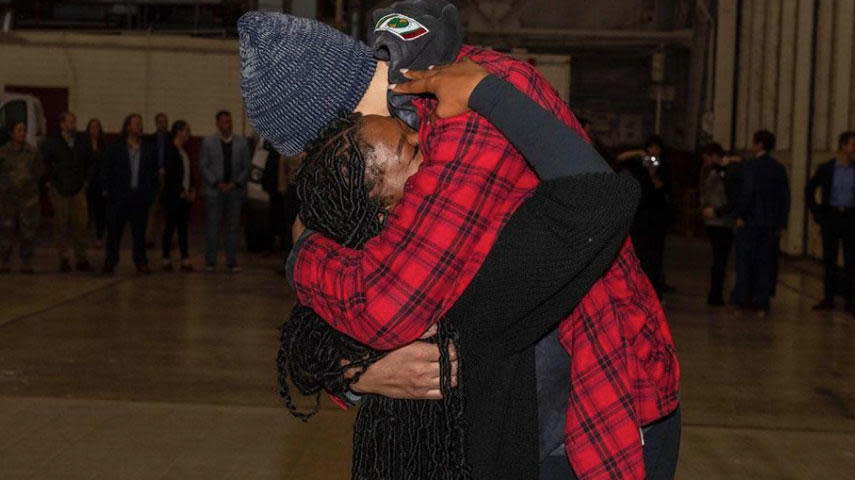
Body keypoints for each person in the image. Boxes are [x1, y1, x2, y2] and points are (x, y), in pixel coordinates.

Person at [239, 8, 678, 480]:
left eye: (323, 153)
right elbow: (320, 323)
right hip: (502, 427)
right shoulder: (381, 163)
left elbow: (385, 305)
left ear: (339, 128)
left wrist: (301, 254)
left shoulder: (462, 117)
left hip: (596, 409)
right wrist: (355, 375)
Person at [730, 130, 790, 314]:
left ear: (759, 144)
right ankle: (762, 299)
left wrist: (740, 214)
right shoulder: (779, 168)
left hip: (751, 221)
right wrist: (781, 223)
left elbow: (747, 193)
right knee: (766, 263)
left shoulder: (750, 166)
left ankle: (742, 298)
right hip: (770, 223)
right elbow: (785, 197)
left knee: (745, 261)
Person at [102, 114, 159, 275]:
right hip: (119, 197)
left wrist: (151, 193)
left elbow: (153, 174)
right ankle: (110, 261)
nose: (139, 127)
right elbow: (107, 170)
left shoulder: (148, 149)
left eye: (141, 124)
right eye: (136, 124)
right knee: (114, 232)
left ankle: (140, 261)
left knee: (139, 233)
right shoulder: (116, 148)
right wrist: (108, 191)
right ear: (128, 127)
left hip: (139, 197)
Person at [805, 130, 855, 313]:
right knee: (829, 259)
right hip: (832, 216)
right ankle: (828, 297)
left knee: (851, 260)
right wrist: (818, 213)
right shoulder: (827, 168)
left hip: (850, 217)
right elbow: (810, 189)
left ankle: (850, 299)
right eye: (852, 144)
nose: (853, 149)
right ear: (843, 145)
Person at [617, 135, 672, 297]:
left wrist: (654, 173)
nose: (654, 153)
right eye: (651, 148)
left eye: (657, 149)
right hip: (641, 217)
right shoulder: (637, 164)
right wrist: (640, 155)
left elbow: (664, 188)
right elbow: (620, 159)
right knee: (638, 251)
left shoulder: (664, 167)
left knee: (655, 255)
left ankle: (653, 287)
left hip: (657, 217)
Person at [199, 110, 250, 273]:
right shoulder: (208, 142)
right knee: (213, 226)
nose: (227, 124)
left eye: (229, 121)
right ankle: (210, 261)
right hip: (215, 191)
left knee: (233, 227)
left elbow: (246, 167)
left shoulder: (241, 143)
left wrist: (235, 183)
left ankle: (231, 261)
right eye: (224, 122)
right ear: (218, 124)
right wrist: (216, 182)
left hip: (234, 192)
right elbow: (203, 165)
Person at [41, 111, 92, 272]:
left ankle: (81, 258)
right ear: (62, 124)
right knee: (61, 225)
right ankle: (63, 258)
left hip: (78, 188)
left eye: (74, 122)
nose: (73, 125)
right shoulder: (52, 142)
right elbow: (43, 163)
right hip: (59, 188)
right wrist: (49, 182)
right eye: (70, 122)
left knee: (81, 224)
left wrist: (86, 180)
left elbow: (90, 162)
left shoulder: (82, 141)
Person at [0, 121, 44, 274]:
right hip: (7, 199)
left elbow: (39, 172)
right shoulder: (3, 152)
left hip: (28, 199)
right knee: (6, 230)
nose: (22, 133)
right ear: (11, 133)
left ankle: (26, 261)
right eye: (19, 130)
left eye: (24, 130)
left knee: (28, 232)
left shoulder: (32, 152)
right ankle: (4, 260)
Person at [700, 142, 738, 306]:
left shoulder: (726, 171)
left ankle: (716, 294)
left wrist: (717, 211)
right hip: (715, 221)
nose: (705, 161)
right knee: (718, 260)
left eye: (707, 158)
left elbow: (732, 197)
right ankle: (715, 293)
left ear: (714, 156)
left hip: (722, 221)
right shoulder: (712, 171)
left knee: (720, 261)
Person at [161, 120, 196, 272]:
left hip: (185, 197)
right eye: (186, 130)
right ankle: (166, 258)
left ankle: (185, 258)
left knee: (182, 229)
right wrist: (181, 190)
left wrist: (192, 189)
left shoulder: (184, 151)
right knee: (170, 228)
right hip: (173, 197)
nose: (188, 134)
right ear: (178, 131)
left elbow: (188, 173)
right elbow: (172, 176)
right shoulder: (171, 151)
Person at [145, 112, 170, 247]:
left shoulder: (171, 139)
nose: (163, 124)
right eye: (160, 122)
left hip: (168, 177)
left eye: (165, 121)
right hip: (154, 177)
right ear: (156, 123)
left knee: (168, 210)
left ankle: (168, 239)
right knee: (152, 209)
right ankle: (149, 239)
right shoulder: (150, 139)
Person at [85, 118, 108, 248]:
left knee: (100, 212)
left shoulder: (104, 146)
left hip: (100, 183)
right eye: (92, 127)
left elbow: (106, 165)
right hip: (88, 182)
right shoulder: (83, 145)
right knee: (85, 213)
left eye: (97, 127)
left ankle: (99, 237)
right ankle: (85, 237)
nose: (95, 130)